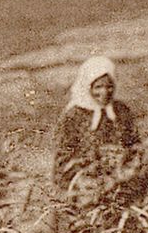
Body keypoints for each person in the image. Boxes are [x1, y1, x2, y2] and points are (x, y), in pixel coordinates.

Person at [53, 55, 140, 194]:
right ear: (87, 86)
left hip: (121, 183)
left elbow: (134, 146)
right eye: (98, 87)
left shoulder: (121, 111)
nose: (104, 92)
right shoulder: (73, 116)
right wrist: (84, 180)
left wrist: (126, 171)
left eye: (109, 86)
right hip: (83, 187)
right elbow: (62, 159)